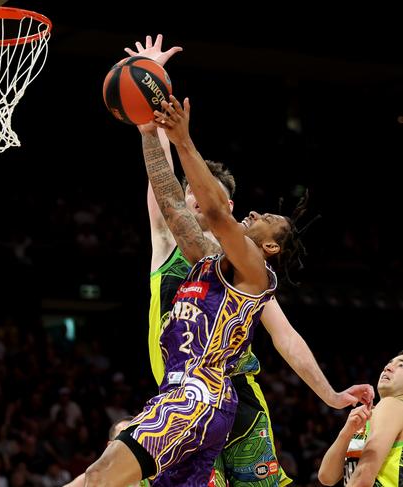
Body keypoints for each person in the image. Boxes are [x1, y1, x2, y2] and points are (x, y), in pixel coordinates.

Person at [130, 34, 375, 487]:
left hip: (235, 396)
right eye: (192, 193)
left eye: (204, 196)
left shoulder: (244, 265)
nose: (194, 200)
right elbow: (164, 188)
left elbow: (287, 338)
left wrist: (329, 394)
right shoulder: (175, 240)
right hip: (184, 397)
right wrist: (151, 98)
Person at [318, 351, 403, 487]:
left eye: (401, 366)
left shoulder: (393, 405)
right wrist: (347, 432)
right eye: (389, 363)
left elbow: (363, 477)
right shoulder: (371, 415)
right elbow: (327, 476)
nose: (387, 368)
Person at [64, 417, 149, 487]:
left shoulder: (149, 472)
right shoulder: (97, 475)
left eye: (134, 437)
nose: (131, 443)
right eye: (124, 440)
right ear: (110, 446)